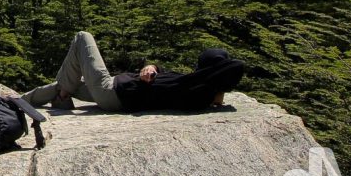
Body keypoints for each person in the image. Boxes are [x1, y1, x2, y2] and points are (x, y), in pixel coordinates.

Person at [23, 31, 244, 113]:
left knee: (82, 37)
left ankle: (62, 97)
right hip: (114, 92)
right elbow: (164, 74)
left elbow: (233, 70)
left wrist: (218, 90)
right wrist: (152, 67)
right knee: (70, 84)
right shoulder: (192, 83)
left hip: (112, 92)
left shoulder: (196, 90)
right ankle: (22, 101)